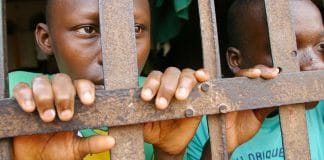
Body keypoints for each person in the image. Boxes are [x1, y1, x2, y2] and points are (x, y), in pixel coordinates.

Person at [11, 0, 210, 159]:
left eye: (135, 29)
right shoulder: (13, 96)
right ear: (46, 38)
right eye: (88, 30)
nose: (115, 56)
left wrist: (169, 156)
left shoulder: (175, 106)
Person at [185, 0, 324, 159]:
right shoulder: (201, 123)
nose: (317, 65)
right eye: (287, 49)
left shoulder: (320, 109)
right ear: (236, 60)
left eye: (321, 46)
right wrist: (221, 145)